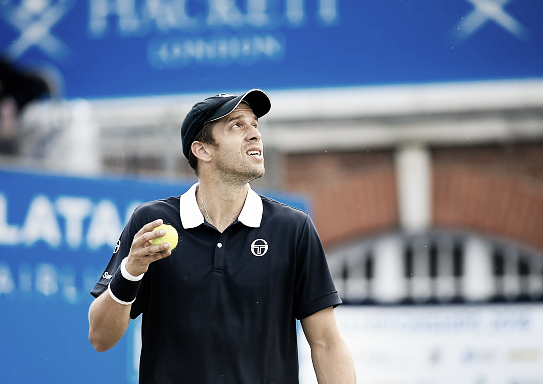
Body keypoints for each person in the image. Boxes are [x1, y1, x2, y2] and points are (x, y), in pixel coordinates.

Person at [88, 89, 356, 384]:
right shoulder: (152, 222)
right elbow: (100, 338)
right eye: (237, 125)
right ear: (202, 150)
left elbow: (327, 344)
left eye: (255, 124)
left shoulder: (293, 229)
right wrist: (130, 272)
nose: (255, 134)